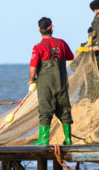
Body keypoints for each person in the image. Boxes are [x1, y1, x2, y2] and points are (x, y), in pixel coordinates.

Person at [28, 17, 74, 145]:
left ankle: (43, 139)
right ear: (51, 28)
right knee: (64, 109)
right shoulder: (62, 43)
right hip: (61, 83)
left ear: (39, 30)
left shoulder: (38, 47)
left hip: (45, 84)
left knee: (45, 109)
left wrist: (32, 80)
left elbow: (33, 68)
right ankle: (68, 139)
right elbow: (71, 57)